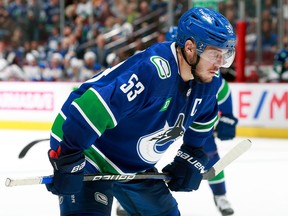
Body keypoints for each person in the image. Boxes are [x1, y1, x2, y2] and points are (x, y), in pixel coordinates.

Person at [46, 7, 236, 216]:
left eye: (225, 55)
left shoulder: (208, 83)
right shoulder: (153, 71)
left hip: (131, 165)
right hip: (88, 149)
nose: (220, 64)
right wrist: (68, 158)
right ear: (190, 48)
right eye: (214, 54)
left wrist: (189, 157)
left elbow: (202, 123)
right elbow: (91, 107)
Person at [115, 26, 238, 216]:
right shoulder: (157, 66)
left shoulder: (208, 69)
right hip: (162, 119)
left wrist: (228, 117)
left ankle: (220, 195)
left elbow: (222, 90)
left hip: (190, 116)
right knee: (139, 148)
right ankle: (128, 194)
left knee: (207, 151)